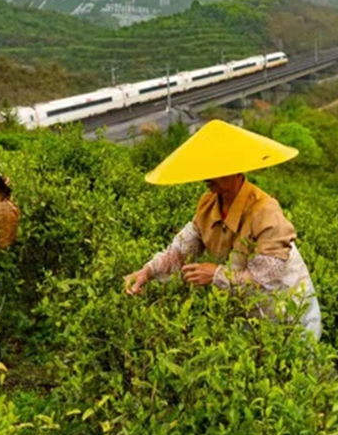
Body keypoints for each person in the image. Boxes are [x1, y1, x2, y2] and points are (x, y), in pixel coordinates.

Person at [124, 120, 322, 340]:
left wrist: (215, 274)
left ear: (236, 170)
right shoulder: (209, 204)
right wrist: (147, 272)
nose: (208, 177)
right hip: (246, 314)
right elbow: (179, 252)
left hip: (288, 313)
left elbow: (264, 282)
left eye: (217, 169)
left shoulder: (266, 212)